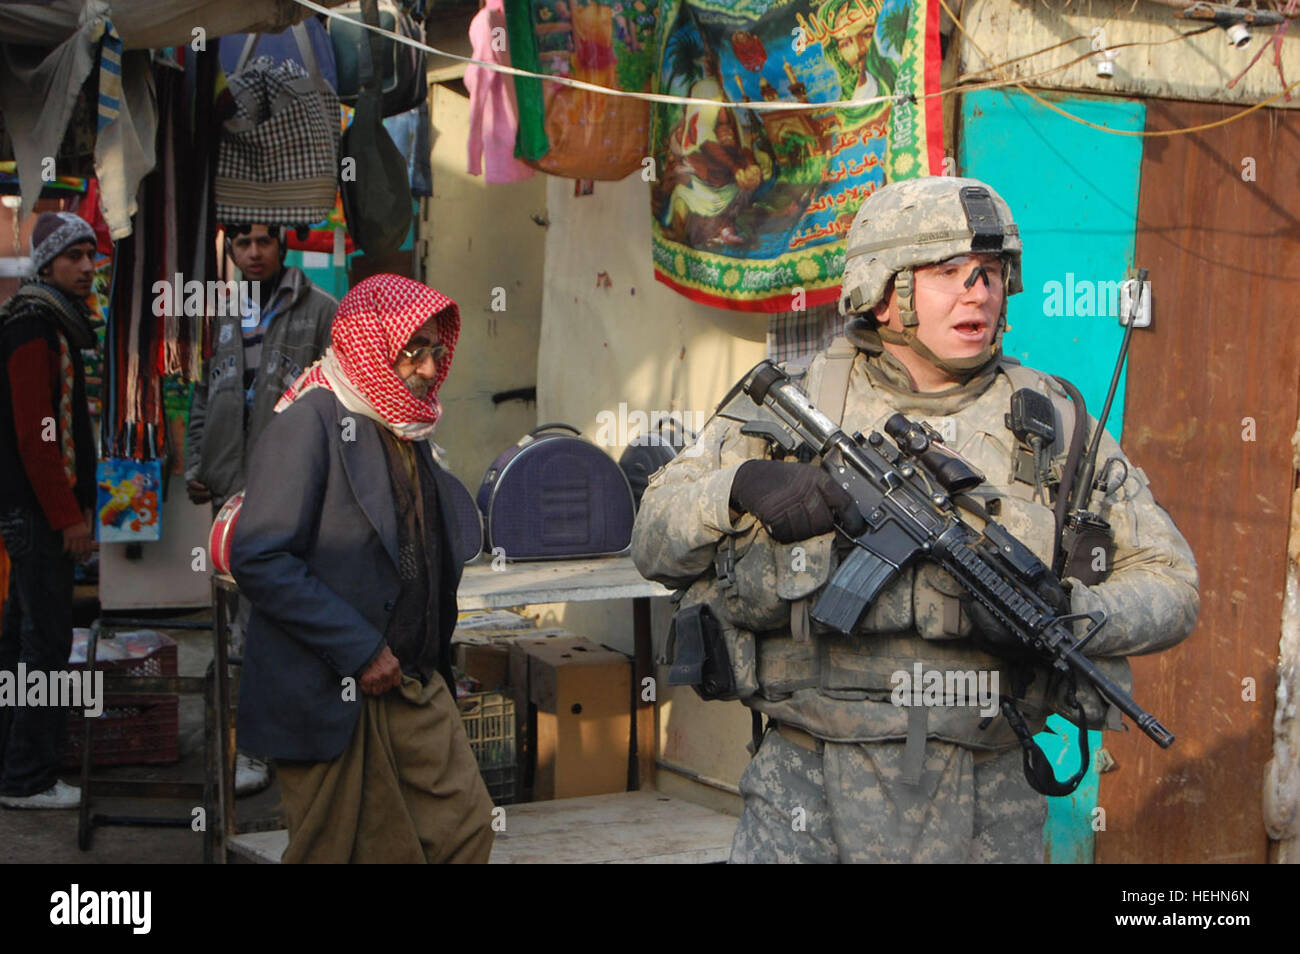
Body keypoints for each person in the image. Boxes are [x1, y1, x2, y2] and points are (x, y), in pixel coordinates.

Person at [631, 176, 1200, 863]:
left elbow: (1174, 587)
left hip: (990, 799)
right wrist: (739, 485)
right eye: (950, 273)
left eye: (990, 274)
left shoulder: (1053, 426)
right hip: (806, 792)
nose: (979, 293)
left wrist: (1069, 606)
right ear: (883, 290)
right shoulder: (798, 406)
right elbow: (653, 538)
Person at [229, 274, 494, 863]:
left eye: (436, 351)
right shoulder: (310, 422)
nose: (428, 368)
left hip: (412, 682)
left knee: (465, 832)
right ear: (372, 346)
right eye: (413, 351)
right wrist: (358, 648)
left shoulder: (406, 424)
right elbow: (260, 556)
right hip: (333, 687)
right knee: (345, 852)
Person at [184, 223, 337, 795]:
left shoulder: (319, 310)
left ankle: (268, 746)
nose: (252, 253)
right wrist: (198, 463)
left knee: (281, 618)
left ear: (282, 247)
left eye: (262, 242)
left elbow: (334, 395)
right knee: (236, 622)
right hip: (229, 491)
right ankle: (246, 743)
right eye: (242, 243)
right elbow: (204, 393)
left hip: (290, 489)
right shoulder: (219, 314)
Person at [0, 211, 99, 809]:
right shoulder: (34, 327)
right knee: (43, 644)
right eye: (74, 257)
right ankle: (28, 779)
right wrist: (68, 516)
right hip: (37, 516)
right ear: (48, 264)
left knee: (20, 640)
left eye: (92, 255)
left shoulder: (50, 324)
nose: (88, 267)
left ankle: (13, 764)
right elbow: (39, 434)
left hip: (31, 512)